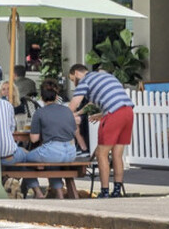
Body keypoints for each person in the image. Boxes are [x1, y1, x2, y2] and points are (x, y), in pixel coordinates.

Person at [68, 63, 134, 198]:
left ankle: (104, 191)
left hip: (114, 114)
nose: (74, 83)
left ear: (76, 73)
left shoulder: (84, 81)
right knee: (117, 155)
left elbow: (73, 105)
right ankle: (117, 191)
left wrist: (63, 115)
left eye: (72, 80)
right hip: (128, 112)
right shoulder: (105, 76)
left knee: (101, 153)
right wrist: (98, 113)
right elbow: (106, 99)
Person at [21, 80, 80, 198]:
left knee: (23, 159)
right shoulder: (67, 110)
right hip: (71, 152)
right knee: (52, 164)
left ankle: (38, 192)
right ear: (57, 96)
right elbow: (73, 131)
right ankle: (59, 194)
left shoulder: (40, 113)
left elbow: (34, 139)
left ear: (41, 97)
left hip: (53, 151)